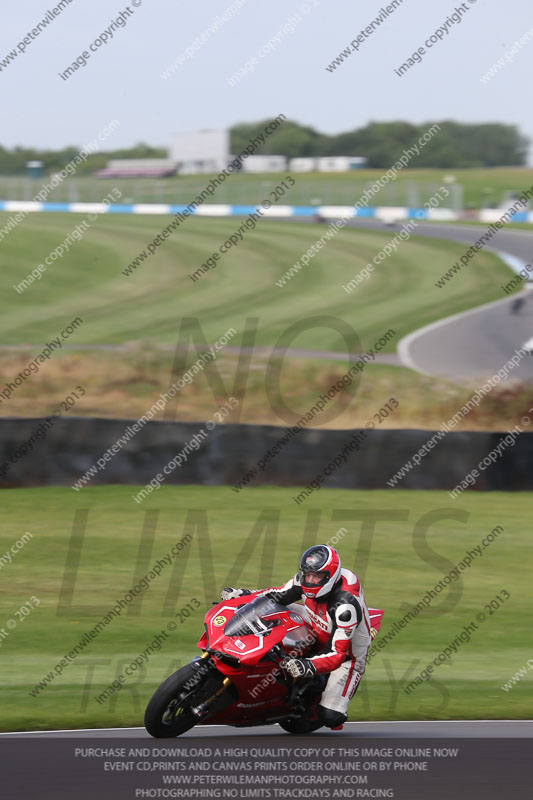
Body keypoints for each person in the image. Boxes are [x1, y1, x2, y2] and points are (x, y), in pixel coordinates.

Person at [220, 544, 373, 729]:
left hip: (347, 654)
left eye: (316, 577)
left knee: (331, 716)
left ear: (330, 576)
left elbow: (338, 653)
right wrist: (244, 595)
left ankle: (318, 695)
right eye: (307, 574)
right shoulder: (307, 579)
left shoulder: (345, 607)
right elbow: (277, 595)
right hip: (315, 618)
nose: (309, 580)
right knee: (270, 610)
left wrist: (309, 665)